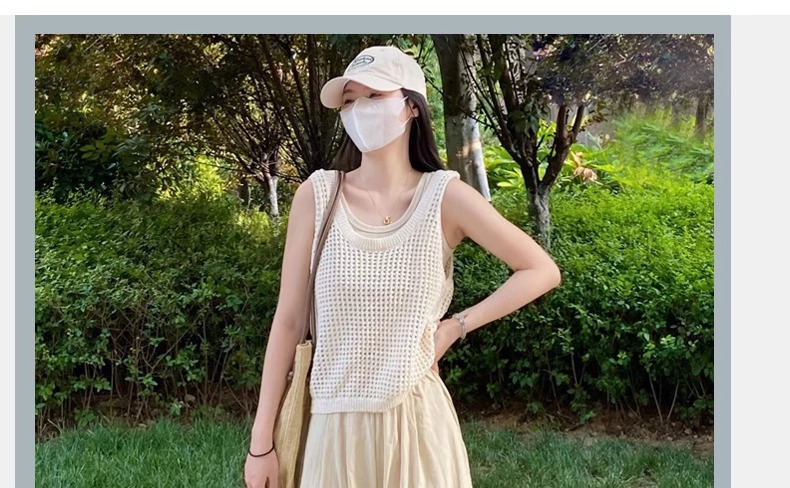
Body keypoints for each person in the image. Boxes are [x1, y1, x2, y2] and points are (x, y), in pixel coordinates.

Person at [244, 45, 562, 488]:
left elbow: (540, 270)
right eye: (349, 100)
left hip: (418, 427)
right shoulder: (316, 196)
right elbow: (288, 321)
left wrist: (455, 327)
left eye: (374, 96)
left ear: (411, 106)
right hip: (333, 429)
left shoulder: (444, 197)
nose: (359, 109)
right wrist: (261, 443)